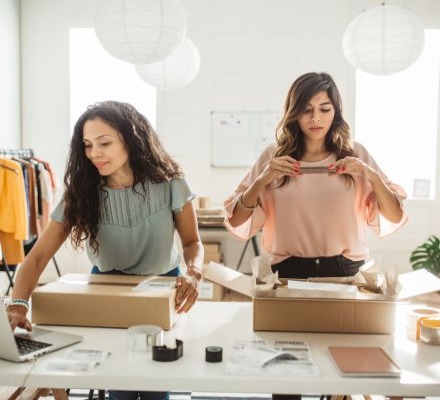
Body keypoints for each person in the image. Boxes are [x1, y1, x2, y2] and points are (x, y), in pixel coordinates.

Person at [224, 72, 408, 400]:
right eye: (307, 109)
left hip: (346, 276)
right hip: (287, 275)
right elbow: (237, 217)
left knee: (344, 376)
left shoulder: (356, 155)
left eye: (325, 108)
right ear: (293, 112)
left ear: (336, 111)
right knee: (286, 376)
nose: (316, 118)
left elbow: (393, 213)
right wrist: (262, 180)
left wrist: (370, 175)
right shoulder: (273, 157)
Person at [7, 101, 204, 400]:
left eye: (104, 143)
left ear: (131, 138)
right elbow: (36, 258)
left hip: (165, 289)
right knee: (119, 385)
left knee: (156, 386)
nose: (94, 153)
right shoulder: (82, 192)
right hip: (106, 289)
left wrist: (194, 273)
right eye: (87, 145)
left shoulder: (170, 182)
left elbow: (192, 243)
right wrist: (18, 303)